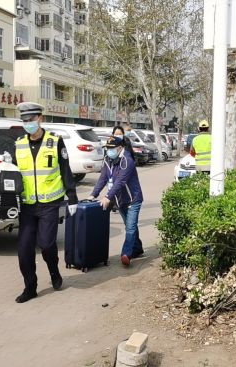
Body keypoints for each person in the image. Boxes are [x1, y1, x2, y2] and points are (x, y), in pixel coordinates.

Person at [13, 102, 78, 303]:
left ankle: (54, 271)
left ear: (40, 118)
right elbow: (13, 174)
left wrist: (72, 196)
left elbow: (66, 170)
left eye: (31, 120)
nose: (28, 124)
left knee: (47, 244)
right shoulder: (18, 144)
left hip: (50, 203)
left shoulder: (55, 141)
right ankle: (30, 287)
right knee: (24, 250)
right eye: (24, 120)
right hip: (27, 205)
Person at [88, 136, 144, 267]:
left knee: (130, 227)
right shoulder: (108, 160)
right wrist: (93, 194)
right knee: (131, 226)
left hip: (133, 200)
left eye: (111, 148)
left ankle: (126, 254)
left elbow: (120, 181)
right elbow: (103, 178)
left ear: (120, 148)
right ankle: (138, 248)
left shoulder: (127, 161)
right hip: (120, 200)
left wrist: (107, 197)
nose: (108, 151)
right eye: (107, 148)